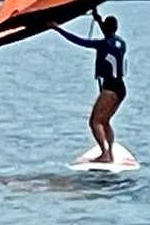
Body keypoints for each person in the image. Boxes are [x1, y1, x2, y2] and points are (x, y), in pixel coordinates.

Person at [53, 12, 126, 163]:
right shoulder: (121, 43)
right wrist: (98, 19)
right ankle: (110, 153)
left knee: (95, 122)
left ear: (105, 28)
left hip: (110, 88)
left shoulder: (102, 44)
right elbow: (108, 36)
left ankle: (104, 154)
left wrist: (57, 28)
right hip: (121, 88)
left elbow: (79, 41)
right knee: (105, 121)